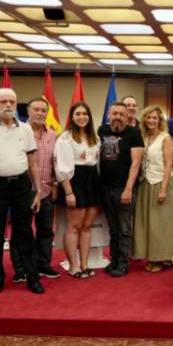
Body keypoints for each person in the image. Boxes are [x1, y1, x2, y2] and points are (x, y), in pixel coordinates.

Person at [0, 88, 44, 295]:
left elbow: (33, 163)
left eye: (12, 101)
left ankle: (32, 278)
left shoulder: (25, 128)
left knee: (25, 233)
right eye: (3, 101)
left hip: (21, 185)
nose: (8, 105)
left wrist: (38, 191)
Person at [9, 98, 60, 282]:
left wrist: (55, 185)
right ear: (28, 111)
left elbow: (56, 162)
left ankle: (43, 265)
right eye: (36, 110)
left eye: (43, 110)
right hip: (22, 191)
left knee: (46, 230)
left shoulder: (53, 135)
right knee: (21, 231)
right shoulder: (18, 132)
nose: (40, 113)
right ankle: (21, 269)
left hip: (46, 190)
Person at [55, 101, 101, 279]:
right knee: (74, 226)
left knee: (87, 226)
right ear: (72, 117)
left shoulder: (94, 138)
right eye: (78, 114)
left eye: (85, 113)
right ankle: (73, 266)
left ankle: (85, 264)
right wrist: (68, 192)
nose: (82, 117)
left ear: (89, 117)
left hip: (93, 182)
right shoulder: (65, 138)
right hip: (75, 181)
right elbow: (61, 167)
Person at [98, 101, 144, 277]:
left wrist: (128, 188)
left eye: (121, 114)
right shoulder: (102, 130)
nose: (117, 117)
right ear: (109, 115)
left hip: (124, 188)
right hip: (104, 187)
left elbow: (136, 163)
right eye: (114, 113)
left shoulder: (134, 133)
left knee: (124, 229)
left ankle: (123, 264)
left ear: (127, 116)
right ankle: (114, 260)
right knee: (113, 228)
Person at [134, 105, 173, 273]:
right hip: (145, 182)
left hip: (161, 182)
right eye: (148, 117)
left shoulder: (165, 137)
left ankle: (160, 258)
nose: (151, 120)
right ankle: (151, 257)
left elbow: (169, 164)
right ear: (144, 119)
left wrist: (163, 189)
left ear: (160, 120)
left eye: (155, 117)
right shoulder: (143, 137)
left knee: (160, 223)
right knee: (147, 222)